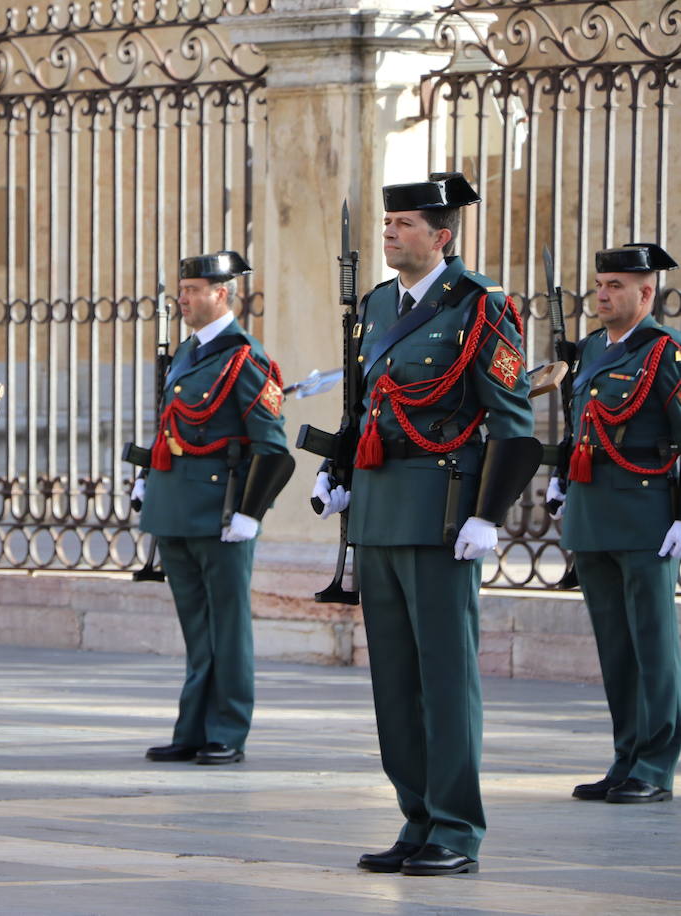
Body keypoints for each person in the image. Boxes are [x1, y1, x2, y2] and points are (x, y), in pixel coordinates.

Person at [313, 173, 539, 876]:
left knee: (445, 680)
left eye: (405, 222)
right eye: (388, 221)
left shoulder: (481, 306)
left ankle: (456, 827)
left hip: (442, 513)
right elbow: (366, 407)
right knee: (395, 684)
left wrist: (488, 516)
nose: (389, 232)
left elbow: (515, 424)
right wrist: (340, 470)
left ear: (442, 237)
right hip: (379, 512)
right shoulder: (378, 305)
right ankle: (416, 818)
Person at [133, 251, 293, 767]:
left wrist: (250, 512)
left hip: (221, 513)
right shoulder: (188, 351)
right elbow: (171, 425)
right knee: (197, 628)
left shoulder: (246, 358)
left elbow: (271, 446)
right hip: (176, 507)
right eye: (182, 290)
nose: (183, 298)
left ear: (222, 294)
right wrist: (147, 479)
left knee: (227, 626)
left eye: (194, 289)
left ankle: (227, 729)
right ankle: (193, 728)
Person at [548, 242, 681, 805]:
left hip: (646, 514)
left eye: (616, 286)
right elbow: (580, 424)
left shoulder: (665, 352)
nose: (602, 295)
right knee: (614, 646)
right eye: (600, 284)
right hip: (593, 512)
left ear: (646, 293)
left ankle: (655, 765)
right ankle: (625, 756)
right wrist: (560, 475)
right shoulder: (589, 352)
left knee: (654, 644)